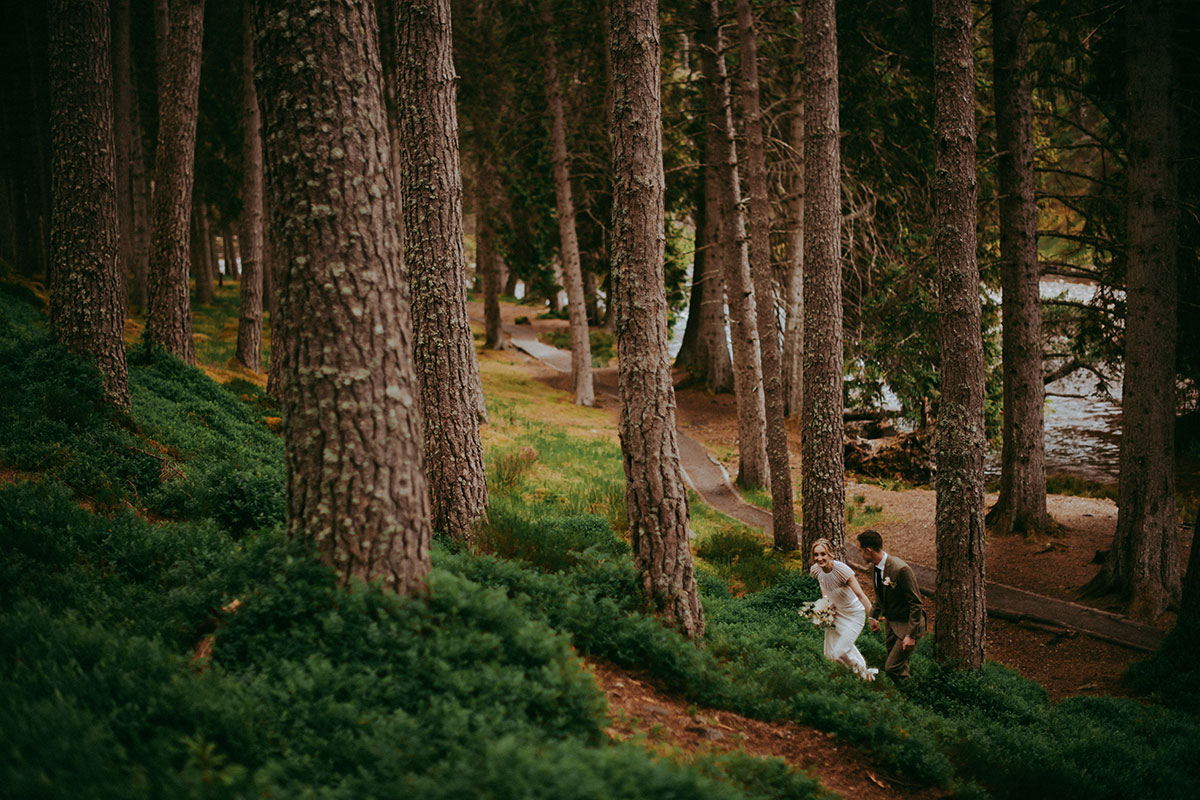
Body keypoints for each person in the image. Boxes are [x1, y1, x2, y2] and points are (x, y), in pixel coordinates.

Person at [857, 529, 925, 682]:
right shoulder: (874, 568)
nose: (860, 554)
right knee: (900, 666)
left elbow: (916, 603)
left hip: (908, 625)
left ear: (869, 550)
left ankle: (908, 691)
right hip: (891, 623)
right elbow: (881, 596)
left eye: (860, 550)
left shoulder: (901, 570)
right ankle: (903, 695)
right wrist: (873, 617)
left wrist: (910, 635)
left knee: (891, 667)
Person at [809, 537, 877, 681]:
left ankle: (864, 677)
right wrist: (824, 610)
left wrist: (873, 616)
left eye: (823, 554)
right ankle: (854, 675)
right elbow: (824, 590)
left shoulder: (842, 570)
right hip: (836, 614)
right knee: (831, 653)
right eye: (816, 555)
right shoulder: (816, 570)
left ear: (830, 554)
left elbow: (860, 595)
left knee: (840, 652)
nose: (819, 558)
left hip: (854, 615)